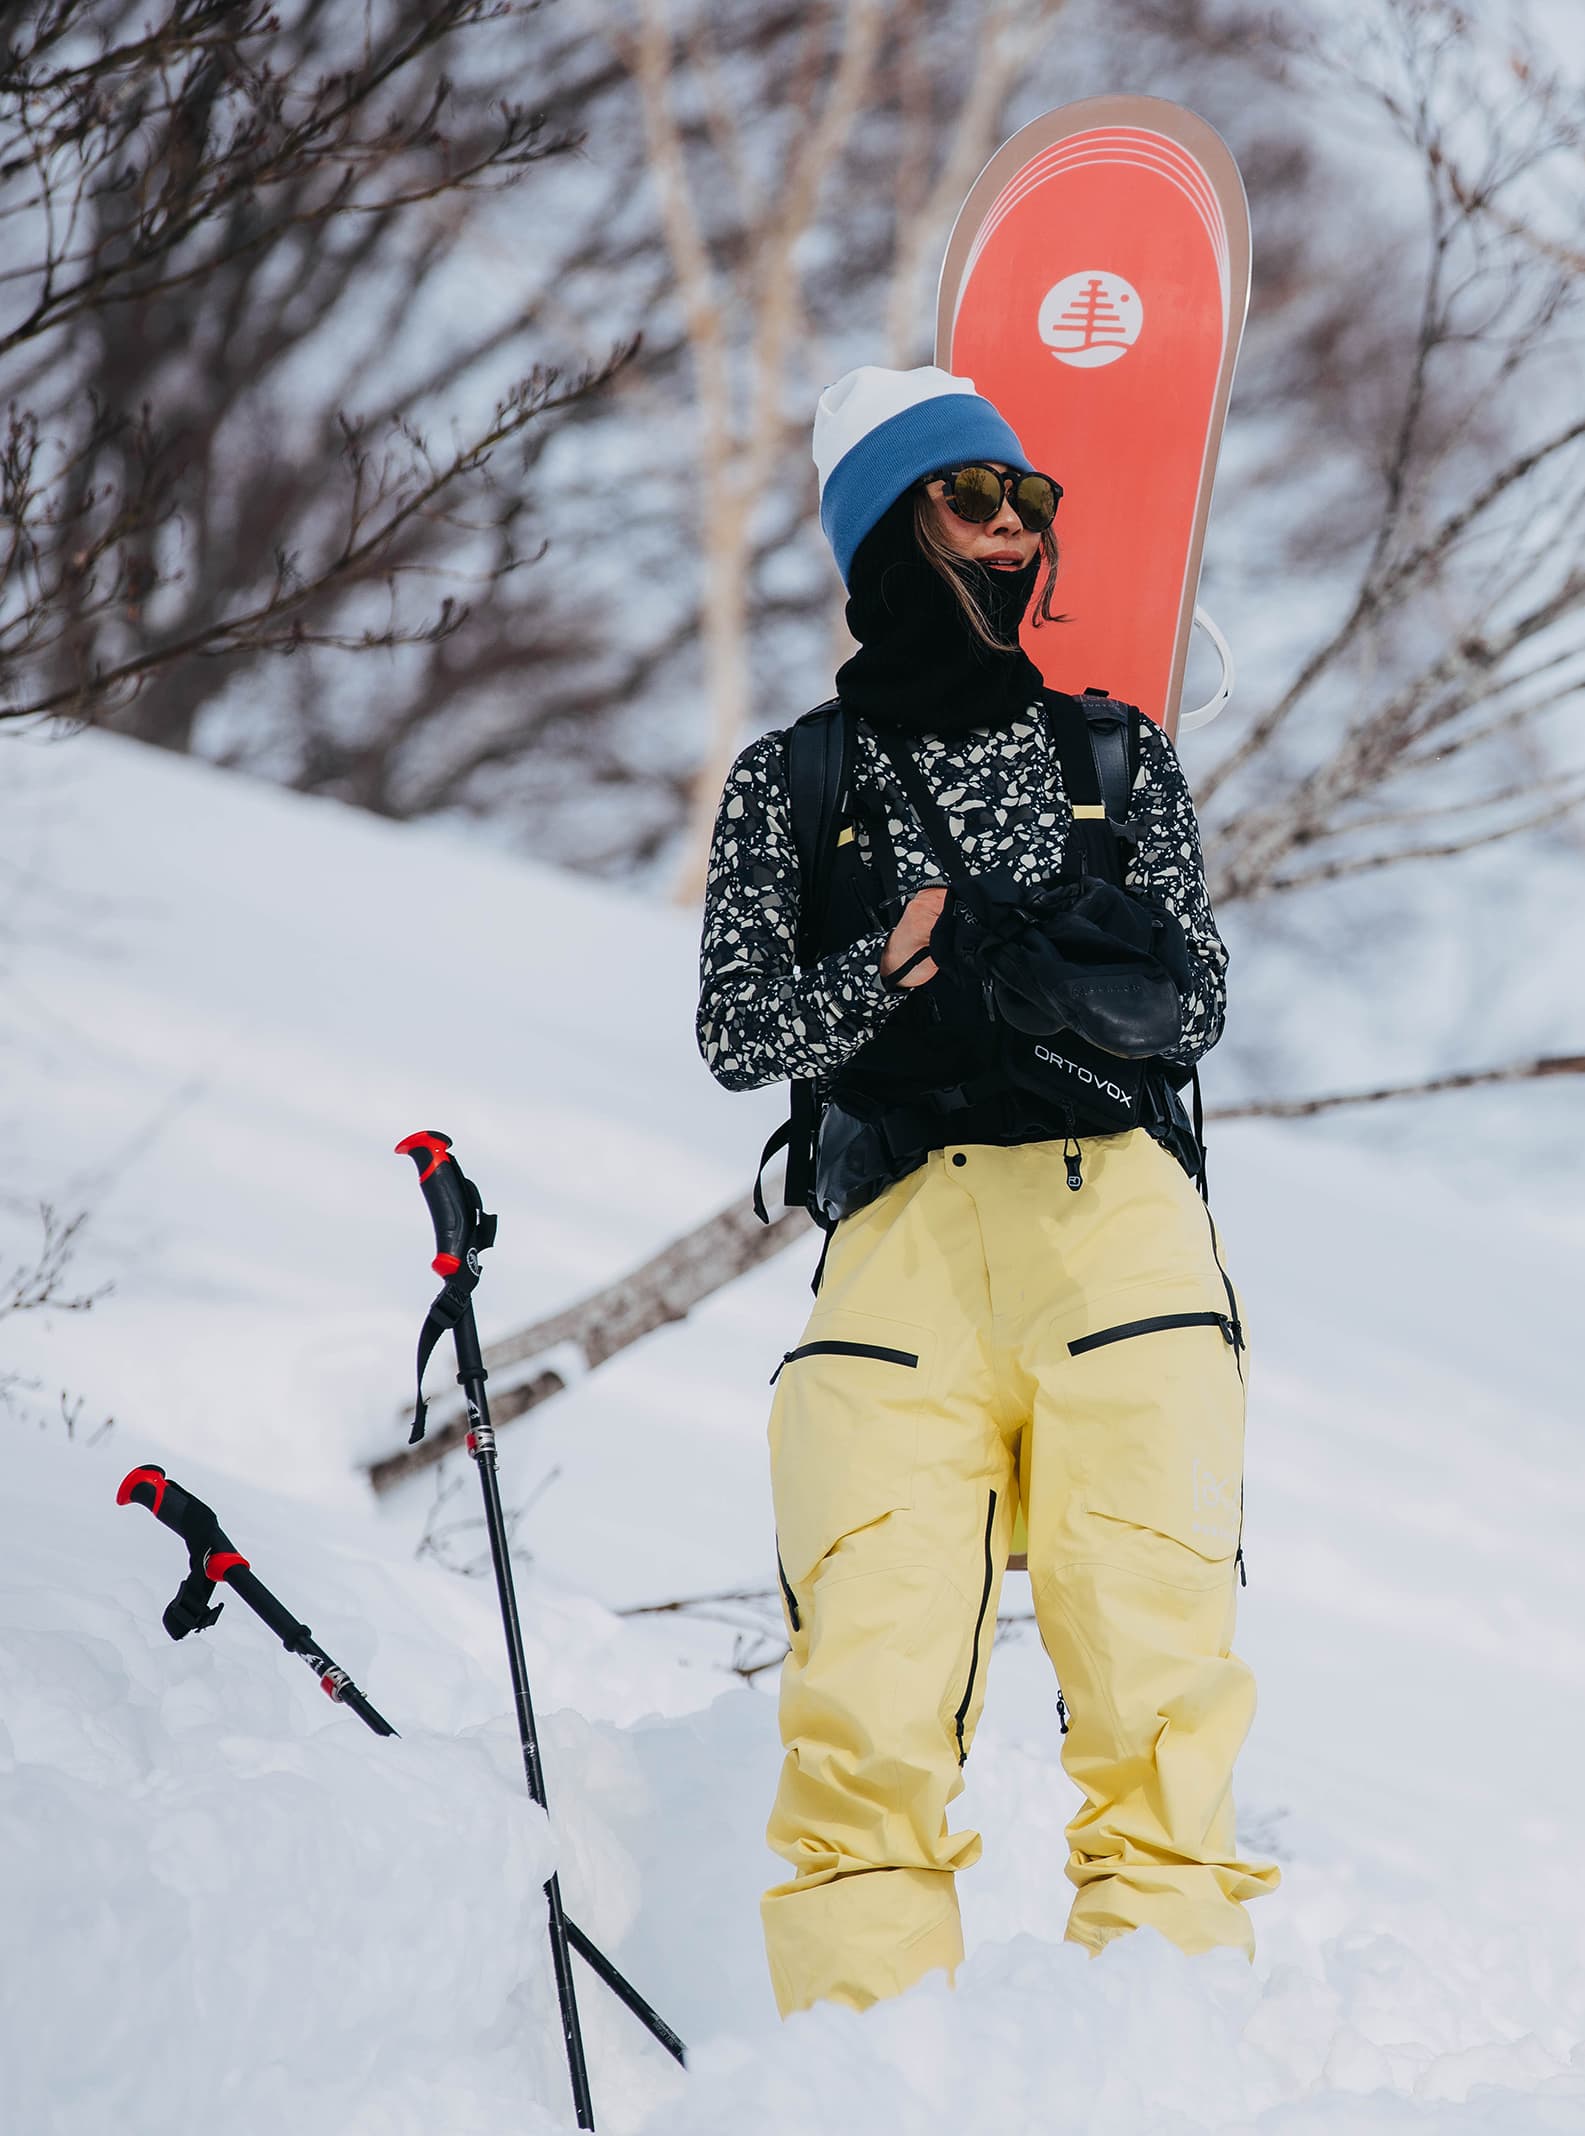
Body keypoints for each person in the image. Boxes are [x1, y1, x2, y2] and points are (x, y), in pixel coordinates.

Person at [696, 365, 1278, 2019]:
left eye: (1033, 501)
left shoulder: (1113, 752)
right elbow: (739, 1031)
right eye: (976, 497)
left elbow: (1196, 1001)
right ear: (890, 527)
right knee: (863, 1707)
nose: (1016, 527)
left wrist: (1025, 968)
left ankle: (1155, 2093)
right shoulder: (793, 783)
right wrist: (892, 965)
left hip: (1120, 1239)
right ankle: (862, 2095)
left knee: (1157, 1692)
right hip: (897, 1252)